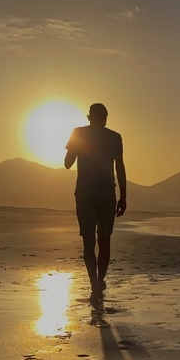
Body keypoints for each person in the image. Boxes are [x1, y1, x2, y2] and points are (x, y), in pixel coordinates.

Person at [64, 103, 127, 306]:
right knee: (105, 240)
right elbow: (120, 167)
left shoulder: (78, 133)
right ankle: (99, 281)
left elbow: (67, 163)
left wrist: (77, 147)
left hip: (85, 194)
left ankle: (94, 285)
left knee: (89, 242)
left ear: (89, 117)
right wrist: (123, 196)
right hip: (107, 193)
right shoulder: (115, 137)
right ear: (105, 117)